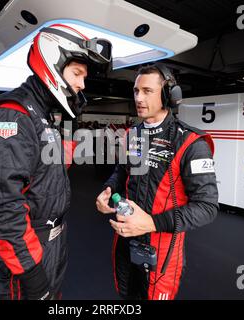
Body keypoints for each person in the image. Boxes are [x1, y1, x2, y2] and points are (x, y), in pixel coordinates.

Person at [0, 24, 112, 300]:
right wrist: (31, 272)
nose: (82, 84)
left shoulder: (42, 115)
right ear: (52, 63)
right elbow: (1, 207)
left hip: (53, 242)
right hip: (27, 253)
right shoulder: (12, 115)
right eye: (77, 73)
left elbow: (46, 166)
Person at [95, 63, 219, 300]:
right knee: (126, 294)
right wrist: (109, 189)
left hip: (162, 247)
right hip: (126, 237)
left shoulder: (192, 143)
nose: (139, 98)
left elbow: (207, 207)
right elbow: (122, 170)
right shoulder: (134, 134)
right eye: (136, 91)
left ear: (168, 95)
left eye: (147, 91)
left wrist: (152, 223)